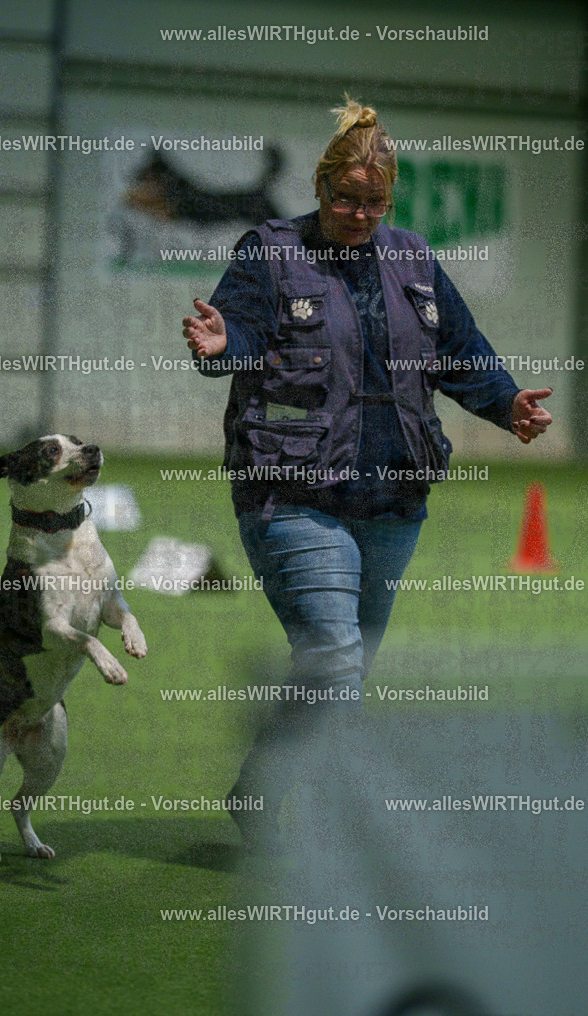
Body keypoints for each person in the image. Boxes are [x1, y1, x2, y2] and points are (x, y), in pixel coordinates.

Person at [181, 96, 552, 852]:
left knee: (333, 668)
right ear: (318, 190)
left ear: (389, 200)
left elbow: (460, 352)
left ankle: (262, 790)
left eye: (372, 203)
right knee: (337, 660)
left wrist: (505, 400)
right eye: (344, 199)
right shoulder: (269, 250)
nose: (357, 214)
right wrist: (225, 343)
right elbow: (242, 329)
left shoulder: (414, 258)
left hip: (392, 498)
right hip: (290, 494)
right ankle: (347, 837)